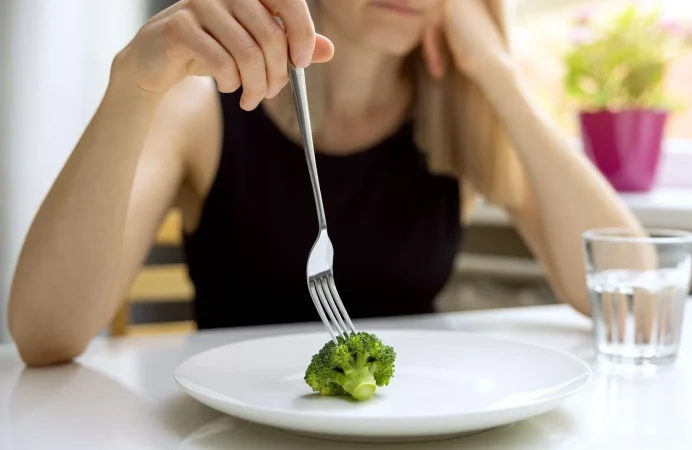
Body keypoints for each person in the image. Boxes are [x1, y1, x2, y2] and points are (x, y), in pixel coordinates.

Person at [8, 0, 640, 366]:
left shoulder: (458, 120)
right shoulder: (203, 109)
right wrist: (134, 83)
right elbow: (44, 335)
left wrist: (497, 71)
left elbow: (632, 294)